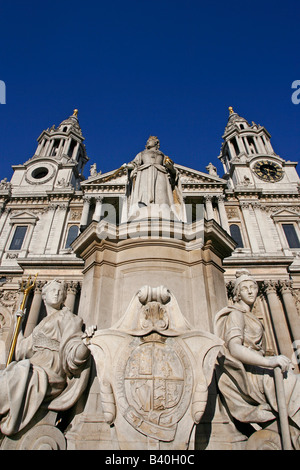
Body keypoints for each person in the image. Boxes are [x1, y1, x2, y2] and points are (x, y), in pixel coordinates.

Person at [214, 269, 300, 445]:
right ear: (237, 293)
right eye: (245, 288)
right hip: (249, 372)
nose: (252, 291)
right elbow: (234, 348)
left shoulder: (249, 316)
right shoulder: (236, 314)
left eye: (253, 286)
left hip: (258, 367)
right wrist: (269, 361)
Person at [0, 279, 95, 436]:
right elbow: (22, 350)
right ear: (44, 295)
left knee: (14, 376)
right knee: (10, 375)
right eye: (53, 290)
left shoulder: (68, 318)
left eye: (60, 291)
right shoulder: (40, 325)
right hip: (34, 365)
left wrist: (84, 345)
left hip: (50, 370)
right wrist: (19, 326)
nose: (57, 294)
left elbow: (72, 350)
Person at [124, 136, 182, 218]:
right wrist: (127, 166)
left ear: (156, 143)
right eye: (147, 141)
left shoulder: (163, 156)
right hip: (144, 174)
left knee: (161, 193)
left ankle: (163, 210)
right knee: (144, 193)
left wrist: (170, 167)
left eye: (150, 140)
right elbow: (134, 164)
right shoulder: (141, 154)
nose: (147, 142)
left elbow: (173, 171)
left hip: (160, 173)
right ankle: (143, 208)